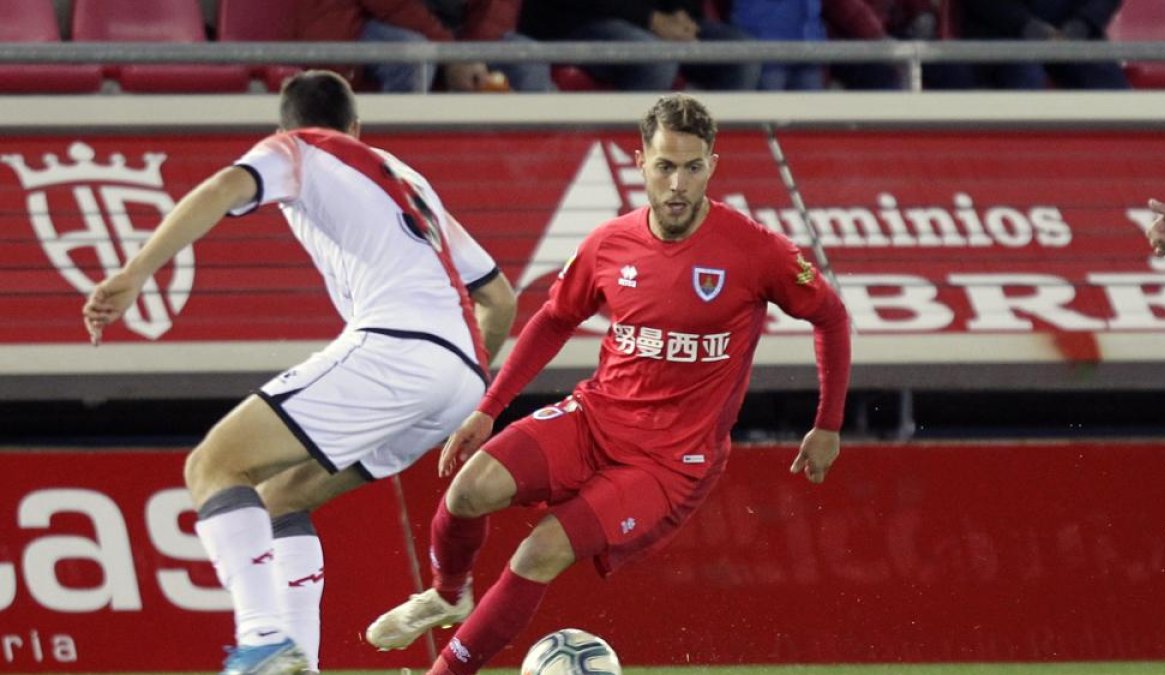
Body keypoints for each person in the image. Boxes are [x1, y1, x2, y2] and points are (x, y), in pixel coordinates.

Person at [363, 93, 852, 675]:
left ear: (712, 167)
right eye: (665, 166)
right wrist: (489, 408)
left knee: (539, 551)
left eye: (693, 167)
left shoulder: (756, 250)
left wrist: (827, 424)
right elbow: (553, 318)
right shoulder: (609, 243)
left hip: (670, 461)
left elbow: (831, 315)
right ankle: (448, 594)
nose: (678, 184)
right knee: (468, 491)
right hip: (595, 417)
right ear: (640, 161)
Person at [81, 70, 517, 675]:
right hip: (459, 373)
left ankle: (262, 640)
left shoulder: (299, 148)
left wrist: (135, 272)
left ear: (284, 128)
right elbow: (500, 297)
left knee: (212, 465)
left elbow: (222, 187)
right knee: (278, 498)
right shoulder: (405, 178)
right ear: (357, 128)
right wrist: (473, 396)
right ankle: (299, 664)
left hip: (397, 345)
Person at [296, 0, 553, 92]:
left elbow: (498, 8)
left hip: (454, 38)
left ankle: (528, 176)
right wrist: (454, 56)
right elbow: (393, 6)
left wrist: (471, 56)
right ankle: (396, 167)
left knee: (528, 60)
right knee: (412, 56)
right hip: (357, 22)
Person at [518, 0, 761, 91]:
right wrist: (652, 20)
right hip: (577, 20)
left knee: (740, 54)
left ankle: (714, 159)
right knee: (654, 59)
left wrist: (682, 14)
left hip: (656, 21)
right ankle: (640, 156)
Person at [957, 0, 1130, 90]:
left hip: (1076, 35)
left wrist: (1081, 26)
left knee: (1111, 89)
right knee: (1026, 78)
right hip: (1006, 34)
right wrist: (1029, 27)